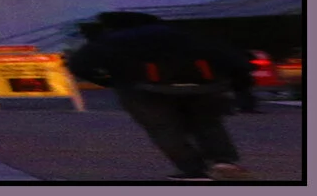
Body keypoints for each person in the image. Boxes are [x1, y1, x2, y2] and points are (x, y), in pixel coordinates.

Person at [67, 11, 255, 182]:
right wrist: (238, 87)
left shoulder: (111, 40)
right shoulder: (183, 34)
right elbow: (230, 58)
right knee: (208, 124)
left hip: (144, 90)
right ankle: (223, 162)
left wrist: (109, 81)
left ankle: (194, 170)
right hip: (203, 87)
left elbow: (79, 65)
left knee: (164, 129)